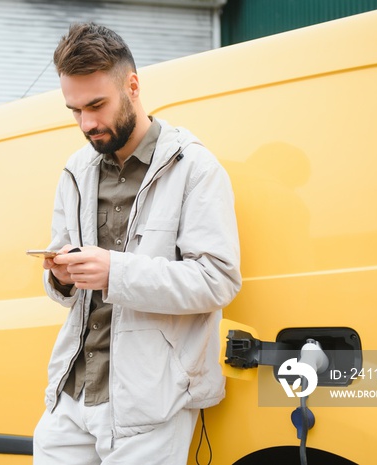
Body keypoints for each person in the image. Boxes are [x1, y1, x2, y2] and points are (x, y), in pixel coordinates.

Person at [33, 22, 241, 465]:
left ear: (132, 86)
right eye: (74, 110)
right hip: (70, 396)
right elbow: (64, 288)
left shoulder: (196, 168)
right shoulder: (76, 170)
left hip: (149, 404)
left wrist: (115, 271)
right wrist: (63, 277)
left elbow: (219, 280)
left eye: (96, 105)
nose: (87, 123)